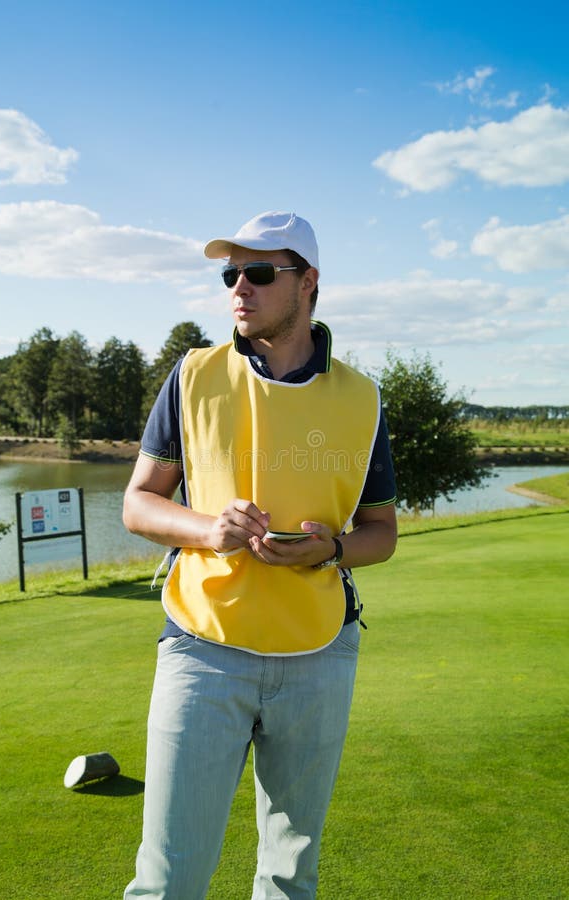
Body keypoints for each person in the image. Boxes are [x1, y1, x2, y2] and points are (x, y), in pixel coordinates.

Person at [123, 211, 397, 899]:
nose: (238, 288)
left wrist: (330, 548)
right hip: (202, 647)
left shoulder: (362, 398)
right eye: (230, 274)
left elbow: (380, 532)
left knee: (289, 878)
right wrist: (207, 529)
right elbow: (139, 504)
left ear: (308, 283)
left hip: (318, 655)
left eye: (260, 272)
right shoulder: (192, 376)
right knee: (168, 879)